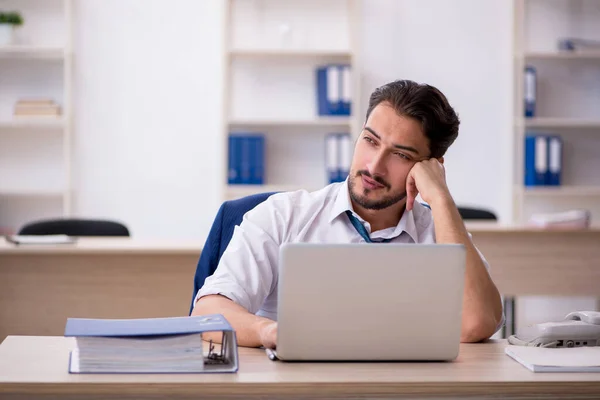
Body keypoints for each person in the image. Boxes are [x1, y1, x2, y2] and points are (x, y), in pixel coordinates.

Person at [192, 79, 504, 348]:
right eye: (370, 140)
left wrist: (440, 197)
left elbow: (475, 323)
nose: (374, 166)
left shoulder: (439, 231)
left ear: (429, 167)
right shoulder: (283, 215)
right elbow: (209, 313)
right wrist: (270, 331)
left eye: (400, 154)